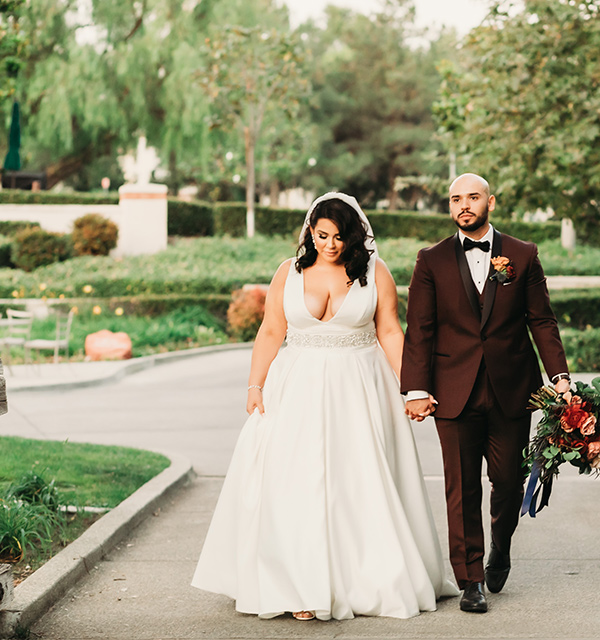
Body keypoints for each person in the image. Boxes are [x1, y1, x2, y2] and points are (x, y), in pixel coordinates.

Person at [192, 192, 458, 621]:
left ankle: (364, 579)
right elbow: (270, 330)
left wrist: (413, 389)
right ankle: (299, 585)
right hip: (295, 388)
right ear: (309, 232)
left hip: (359, 387)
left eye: (338, 237)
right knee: (294, 482)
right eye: (321, 235)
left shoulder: (375, 272)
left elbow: (390, 331)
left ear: (353, 237)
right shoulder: (288, 273)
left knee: (356, 484)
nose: (329, 245)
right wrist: (254, 385)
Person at [401, 173, 571, 614]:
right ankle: (470, 578)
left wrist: (560, 377)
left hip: (512, 390)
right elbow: (418, 330)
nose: (463, 205)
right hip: (451, 393)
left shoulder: (522, 255)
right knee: (461, 489)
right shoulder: (431, 260)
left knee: (509, 483)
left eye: (472, 197)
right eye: (456, 198)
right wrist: (416, 389)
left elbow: (542, 321)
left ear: (490, 202)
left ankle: (501, 544)